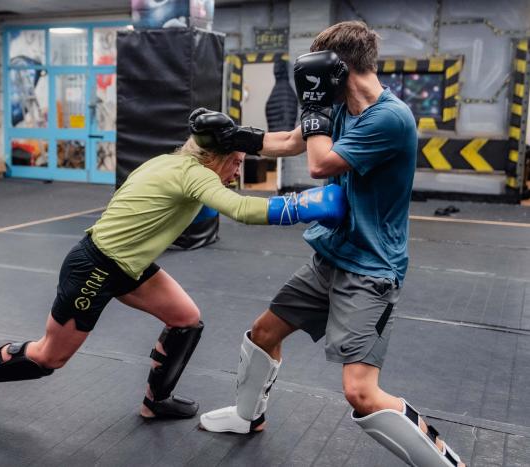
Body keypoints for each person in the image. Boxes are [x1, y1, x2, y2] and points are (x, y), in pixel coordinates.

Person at [0, 109, 346, 420]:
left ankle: (156, 402)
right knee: (50, 356)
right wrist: (304, 205)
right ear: (216, 156)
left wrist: (316, 112)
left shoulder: (189, 158)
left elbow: (290, 142)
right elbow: (241, 209)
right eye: (236, 161)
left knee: (186, 319)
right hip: (95, 268)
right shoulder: (193, 175)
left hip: (129, 267)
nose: (240, 169)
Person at [198, 21, 465, 467]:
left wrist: (317, 105)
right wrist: (232, 136)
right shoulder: (338, 107)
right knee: (263, 333)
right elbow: (288, 141)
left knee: (360, 392)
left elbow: (320, 164)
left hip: (371, 269)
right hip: (331, 257)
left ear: (338, 70)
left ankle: (446, 462)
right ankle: (248, 416)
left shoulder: (390, 118)